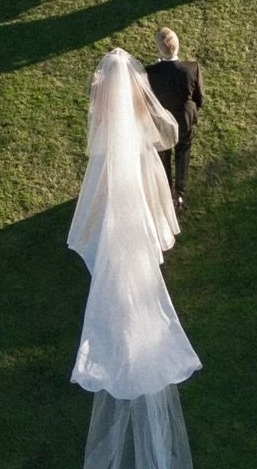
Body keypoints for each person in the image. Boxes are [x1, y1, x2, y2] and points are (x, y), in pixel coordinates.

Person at [68, 50, 201, 462]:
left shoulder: (107, 121)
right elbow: (159, 141)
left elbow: (98, 171)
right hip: (139, 189)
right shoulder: (141, 119)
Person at [145, 28, 205, 214]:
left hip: (162, 123)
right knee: (182, 154)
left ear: (159, 49)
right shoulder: (191, 68)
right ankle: (179, 194)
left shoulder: (150, 72)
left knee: (164, 156)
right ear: (177, 46)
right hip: (184, 121)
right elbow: (199, 97)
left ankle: (166, 193)